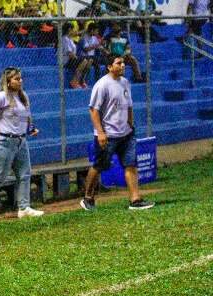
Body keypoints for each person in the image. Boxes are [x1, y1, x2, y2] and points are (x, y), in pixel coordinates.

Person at [80, 55, 155, 211]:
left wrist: (130, 124)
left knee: (131, 165)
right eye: (118, 63)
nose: (122, 66)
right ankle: (88, 197)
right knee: (100, 165)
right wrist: (100, 133)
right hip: (108, 135)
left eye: (123, 63)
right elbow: (94, 110)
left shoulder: (125, 83)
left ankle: (135, 200)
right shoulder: (102, 85)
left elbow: (129, 106)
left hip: (126, 134)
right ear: (109, 66)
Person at [0, 67, 45, 221]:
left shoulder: (22, 96)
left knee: (25, 174)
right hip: (3, 141)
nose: (20, 81)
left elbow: (24, 117)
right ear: (8, 81)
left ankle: (24, 208)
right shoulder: (1, 97)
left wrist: (30, 129)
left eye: (20, 78)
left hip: (20, 141)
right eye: (16, 79)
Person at [62, 22, 91, 89]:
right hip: (66, 60)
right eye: (73, 29)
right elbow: (70, 54)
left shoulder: (70, 39)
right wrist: (77, 58)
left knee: (89, 60)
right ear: (69, 30)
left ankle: (82, 80)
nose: (75, 31)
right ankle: (74, 81)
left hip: (72, 58)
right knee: (83, 61)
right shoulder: (64, 39)